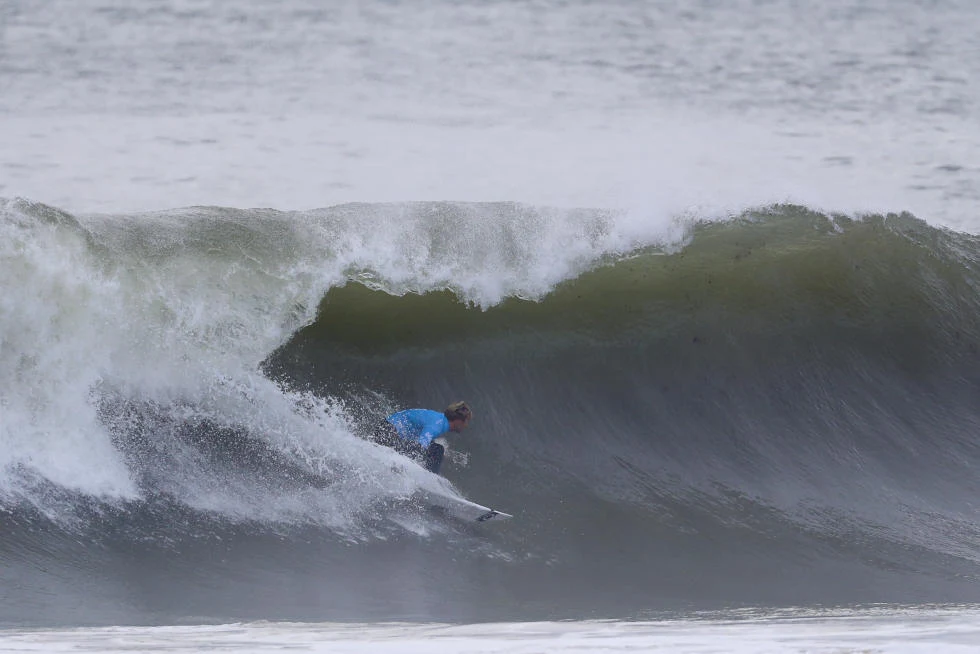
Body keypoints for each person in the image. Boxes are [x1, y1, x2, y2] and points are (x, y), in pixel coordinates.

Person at [376, 401, 472, 474]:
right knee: (438, 450)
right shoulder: (437, 424)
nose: (466, 425)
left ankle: (427, 475)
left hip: (385, 429)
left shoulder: (440, 420)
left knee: (434, 448)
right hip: (387, 432)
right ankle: (431, 480)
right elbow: (421, 445)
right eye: (467, 421)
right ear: (459, 420)